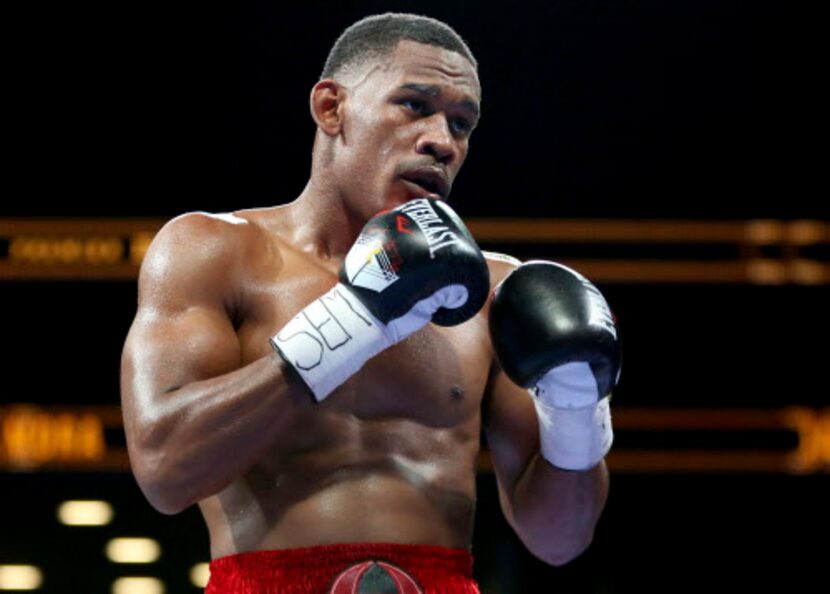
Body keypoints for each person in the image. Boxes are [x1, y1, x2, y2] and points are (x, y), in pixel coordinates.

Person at [120, 12, 620, 594]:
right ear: (332, 108)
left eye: (462, 124)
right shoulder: (215, 251)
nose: (442, 141)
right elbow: (165, 472)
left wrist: (577, 412)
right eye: (414, 105)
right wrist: (356, 320)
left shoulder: (496, 292)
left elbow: (558, 540)